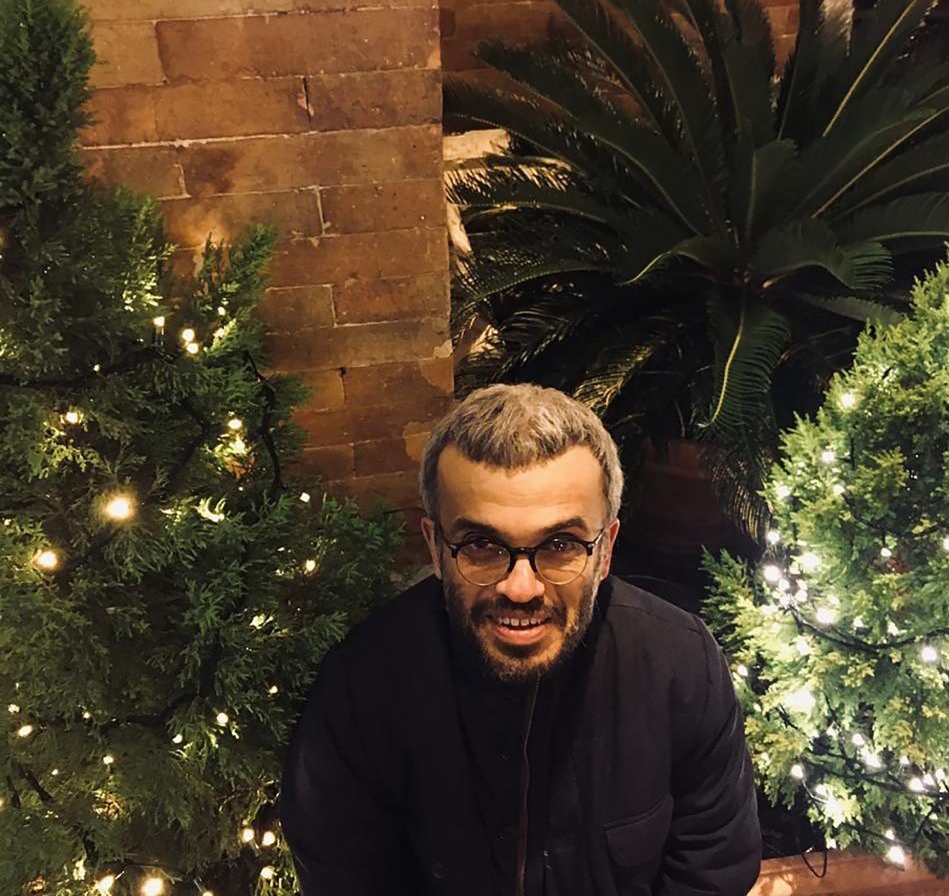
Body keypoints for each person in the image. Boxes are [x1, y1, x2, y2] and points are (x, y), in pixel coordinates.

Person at [280, 383, 762, 896]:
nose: (522, 587)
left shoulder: (680, 664)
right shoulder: (361, 689)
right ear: (436, 548)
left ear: (606, 551)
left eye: (561, 545)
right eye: (482, 545)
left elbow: (713, 870)